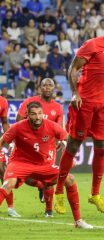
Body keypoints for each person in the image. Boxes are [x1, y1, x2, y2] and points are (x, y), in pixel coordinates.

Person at [54, 20, 104, 214]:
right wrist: (75, 93)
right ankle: (58, 193)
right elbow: (73, 68)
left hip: (103, 105)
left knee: (101, 146)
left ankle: (95, 194)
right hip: (84, 103)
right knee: (74, 144)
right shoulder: (93, 45)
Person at [0, 102, 92, 228]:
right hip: (19, 163)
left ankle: (78, 221)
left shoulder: (51, 126)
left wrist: (71, 156)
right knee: (8, 183)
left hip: (44, 165)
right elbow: (2, 141)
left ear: (43, 114)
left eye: (39, 114)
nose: (37, 117)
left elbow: (68, 139)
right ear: (27, 115)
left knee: (70, 179)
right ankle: (43, 196)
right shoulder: (18, 127)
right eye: (33, 114)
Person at [16, 78, 64, 215]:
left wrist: (61, 140)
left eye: (50, 85)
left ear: (54, 88)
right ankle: (40, 187)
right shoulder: (29, 103)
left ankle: (48, 211)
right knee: (26, 178)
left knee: (48, 179)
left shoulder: (58, 108)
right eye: (44, 85)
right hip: (29, 147)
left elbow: (60, 128)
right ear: (39, 88)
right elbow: (18, 123)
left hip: (48, 148)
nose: (47, 88)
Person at [0, 96, 20, 217]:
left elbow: (5, 122)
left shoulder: (3, 101)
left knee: (3, 172)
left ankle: (10, 208)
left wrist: (11, 140)